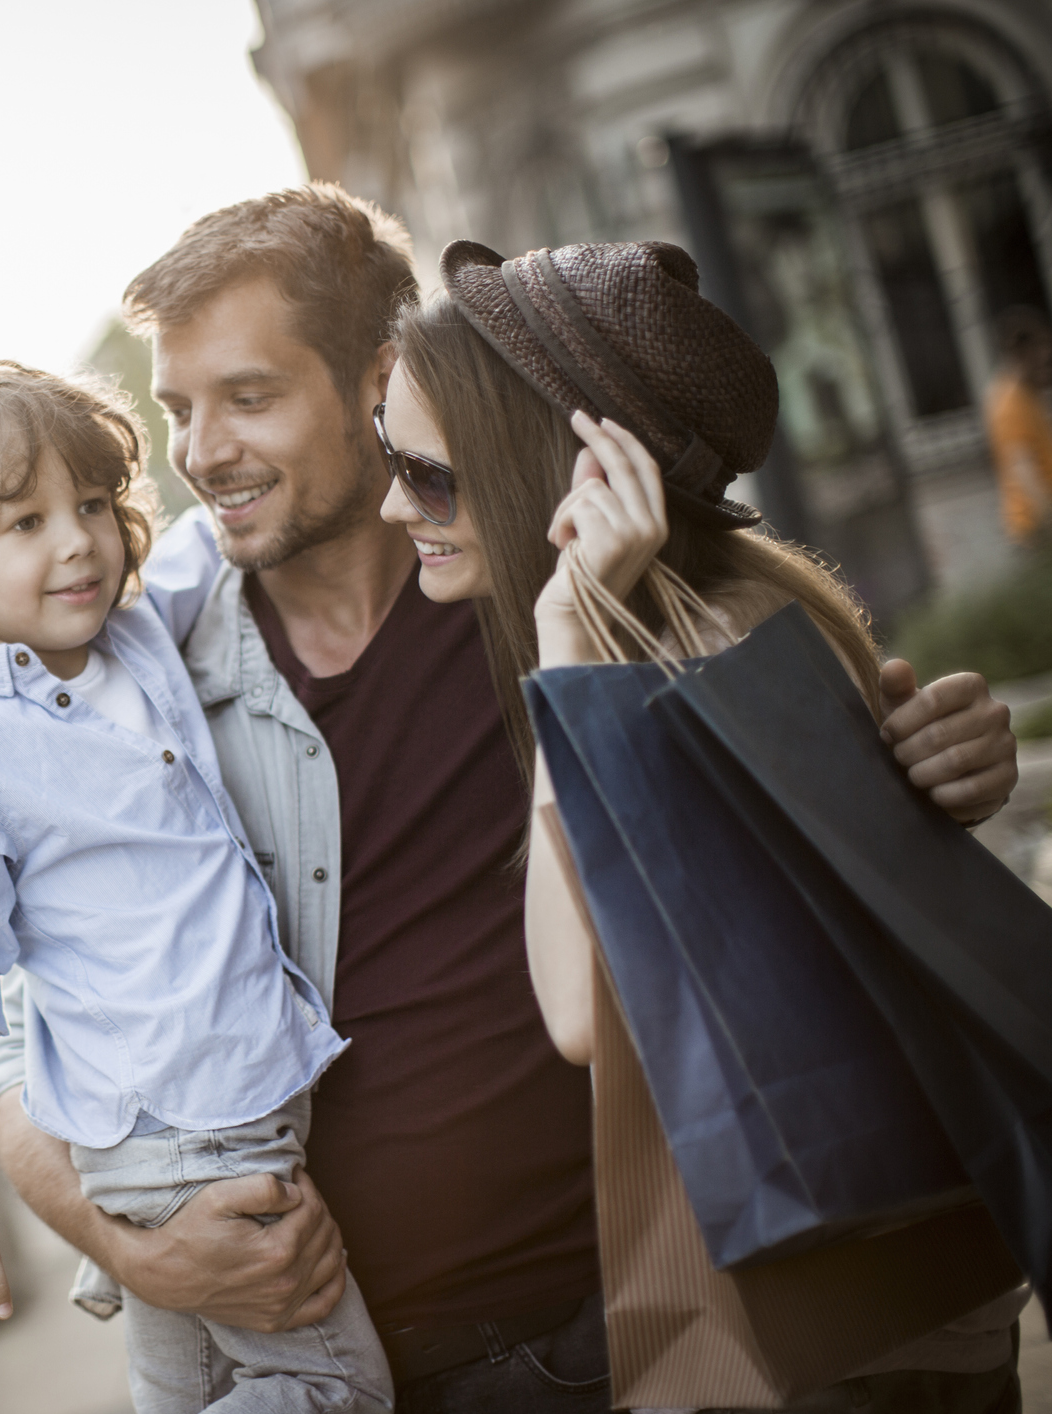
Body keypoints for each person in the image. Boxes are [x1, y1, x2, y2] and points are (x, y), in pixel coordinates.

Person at [0, 186, 1023, 1414]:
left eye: (248, 397)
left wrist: (919, 768)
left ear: (381, 381)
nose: (200, 451)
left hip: (700, 1305)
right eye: (179, 409)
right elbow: (9, 1039)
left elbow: (796, 848)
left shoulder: (564, 578)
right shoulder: (132, 688)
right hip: (407, 1361)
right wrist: (135, 1250)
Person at [376, 235, 1028, 1412]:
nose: (393, 503)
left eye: (428, 474)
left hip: (842, 1329)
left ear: (558, 467)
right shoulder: (749, 594)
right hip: (896, 1296)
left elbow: (581, 1012)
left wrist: (569, 652)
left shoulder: (685, 646)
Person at [0, 362, 392, 1412]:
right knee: (340, 1389)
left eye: (91, 503)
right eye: (22, 522)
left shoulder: (131, 636)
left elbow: (210, 539)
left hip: (196, 1113)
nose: (77, 540)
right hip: (186, 1133)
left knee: (188, 1392)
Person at [986, 306, 1052, 549]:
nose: (1047, 355)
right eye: (1041, 349)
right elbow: (1023, 470)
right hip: (1035, 529)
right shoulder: (1009, 403)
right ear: (1022, 354)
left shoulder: (1028, 395)